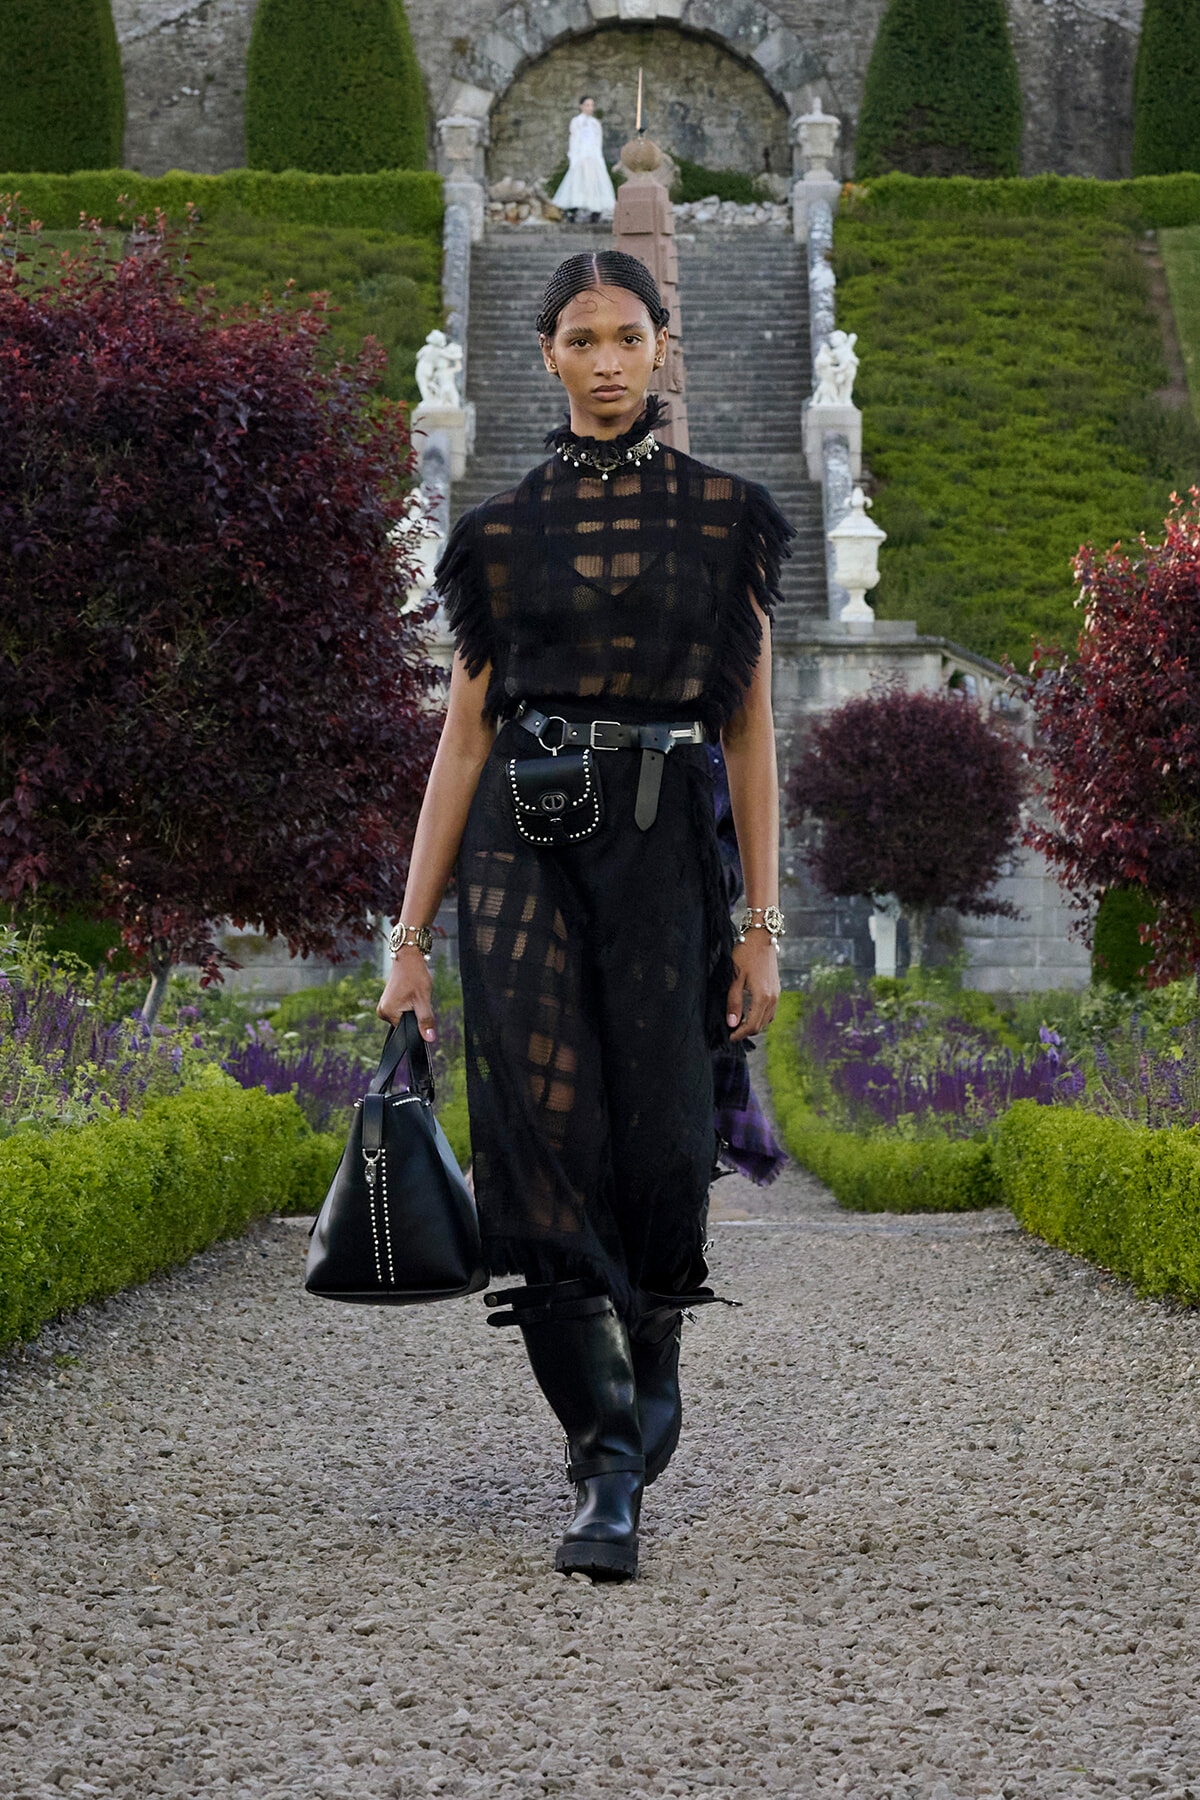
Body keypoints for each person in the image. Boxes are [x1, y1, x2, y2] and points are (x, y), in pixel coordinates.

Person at [377, 249, 791, 1581]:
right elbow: (457, 742)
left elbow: (750, 734)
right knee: (540, 1137)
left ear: (664, 346)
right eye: (579, 340)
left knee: (665, 1140)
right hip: (522, 851)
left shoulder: (729, 519)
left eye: (627, 337)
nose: (605, 362)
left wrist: (763, 925)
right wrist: (407, 946)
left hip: (667, 851)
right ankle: (604, 1464)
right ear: (546, 355)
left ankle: (652, 1350)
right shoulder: (495, 533)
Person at [552, 96, 617, 222]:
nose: (590, 108)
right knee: (578, 182)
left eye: (591, 105)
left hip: (593, 157)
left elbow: (598, 142)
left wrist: (598, 157)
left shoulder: (595, 123)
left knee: (594, 183)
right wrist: (574, 157)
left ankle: (595, 211)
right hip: (581, 156)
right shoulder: (576, 121)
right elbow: (574, 139)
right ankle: (572, 210)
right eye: (587, 105)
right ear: (581, 106)